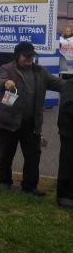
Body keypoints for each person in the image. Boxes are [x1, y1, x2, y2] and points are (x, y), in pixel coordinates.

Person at [0, 41, 63, 195]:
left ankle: (30, 186)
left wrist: (69, 85)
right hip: (9, 121)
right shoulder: (7, 69)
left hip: (31, 123)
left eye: (32, 56)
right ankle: (5, 182)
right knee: (6, 154)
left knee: (33, 156)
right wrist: (5, 83)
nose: (30, 59)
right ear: (18, 55)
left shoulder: (40, 72)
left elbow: (58, 84)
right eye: (26, 56)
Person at [57, 77, 73, 210]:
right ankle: (64, 196)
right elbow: (67, 106)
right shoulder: (69, 85)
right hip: (69, 131)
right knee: (67, 164)